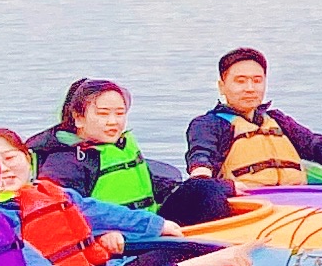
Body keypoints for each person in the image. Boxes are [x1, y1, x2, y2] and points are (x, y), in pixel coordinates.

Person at [0, 127, 253, 266]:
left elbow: (99, 212)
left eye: (10, 157)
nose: (4, 168)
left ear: (25, 158)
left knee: (186, 247)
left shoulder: (51, 192)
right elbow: (19, 251)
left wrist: (154, 225)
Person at [186, 47, 322, 195]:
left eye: (257, 80)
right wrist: (222, 186)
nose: (250, 88)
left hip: (296, 201)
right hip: (248, 204)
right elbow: (200, 165)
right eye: (240, 81)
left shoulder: (276, 120)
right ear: (222, 86)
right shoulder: (208, 125)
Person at [32, 78, 236, 229]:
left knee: (203, 189)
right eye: (103, 114)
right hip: (119, 237)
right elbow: (65, 212)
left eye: (120, 113)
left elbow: (151, 184)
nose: (113, 121)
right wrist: (103, 235)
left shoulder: (121, 145)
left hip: (149, 224)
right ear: (78, 118)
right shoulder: (65, 161)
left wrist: (225, 186)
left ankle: (226, 240)